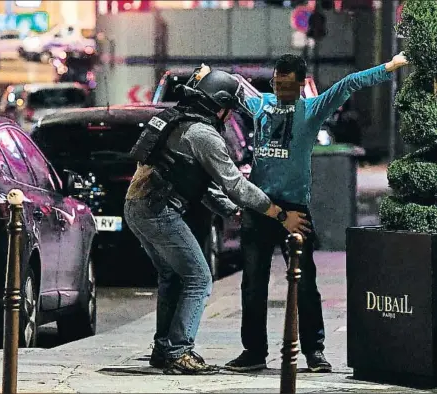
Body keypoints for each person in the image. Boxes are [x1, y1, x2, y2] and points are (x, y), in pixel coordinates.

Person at [224, 53, 409, 373]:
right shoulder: (262, 105)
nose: (281, 90)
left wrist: (390, 67)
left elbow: (349, 83)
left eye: (287, 85)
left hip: (295, 208)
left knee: (306, 282)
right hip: (258, 206)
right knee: (253, 283)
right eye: (277, 83)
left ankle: (314, 351)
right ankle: (253, 351)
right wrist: (206, 75)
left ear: (299, 85)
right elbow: (235, 86)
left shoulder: (311, 110)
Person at [124, 69, 311, 375]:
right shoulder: (203, 134)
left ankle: (164, 349)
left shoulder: (177, 120)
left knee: (172, 276)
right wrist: (277, 212)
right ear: (218, 104)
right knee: (199, 278)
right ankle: (179, 351)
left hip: (137, 205)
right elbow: (235, 184)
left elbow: (195, 183)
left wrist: (230, 211)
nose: (228, 117)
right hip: (159, 211)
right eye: (228, 110)